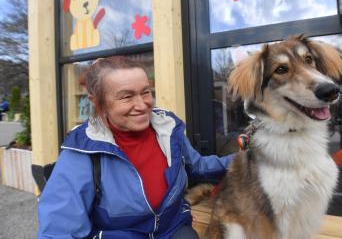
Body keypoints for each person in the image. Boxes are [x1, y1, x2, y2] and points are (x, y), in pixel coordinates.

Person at [37, 56, 234, 239]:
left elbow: (198, 166)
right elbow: (59, 229)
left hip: (173, 229)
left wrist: (246, 158)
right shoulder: (82, 152)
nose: (142, 105)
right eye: (126, 96)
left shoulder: (167, 129)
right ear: (98, 102)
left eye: (145, 92)